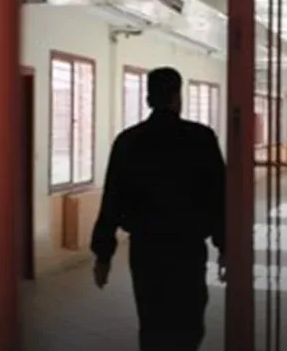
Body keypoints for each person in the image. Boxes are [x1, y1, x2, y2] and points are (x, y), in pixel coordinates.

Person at [90, 67, 226, 351]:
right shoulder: (200, 138)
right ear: (177, 97)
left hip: (146, 250)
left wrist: (103, 255)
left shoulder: (128, 141)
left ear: (148, 98)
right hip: (187, 249)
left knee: (152, 322)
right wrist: (226, 246)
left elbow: (111, 199)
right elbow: (218, 196)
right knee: (188, 321)